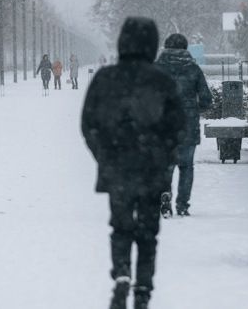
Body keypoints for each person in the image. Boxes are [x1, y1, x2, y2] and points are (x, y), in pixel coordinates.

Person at [81, 17, 184, 309]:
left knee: (121, 226)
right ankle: (143, 287)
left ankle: (122, 274)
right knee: (149, 232)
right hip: (151, 168)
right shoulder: (161, 80)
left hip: (118, 168)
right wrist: (163, 155)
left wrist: (103, 155)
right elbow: (177, 127)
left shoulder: (105, 78)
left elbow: (88, 123)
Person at [154, 33, 212, 216]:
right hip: (188, 124)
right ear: (185, 48)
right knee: (186, 166)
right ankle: (183, 204)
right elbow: (206, 99)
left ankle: (164, 195)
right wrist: (195, 109)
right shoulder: (193, 69)